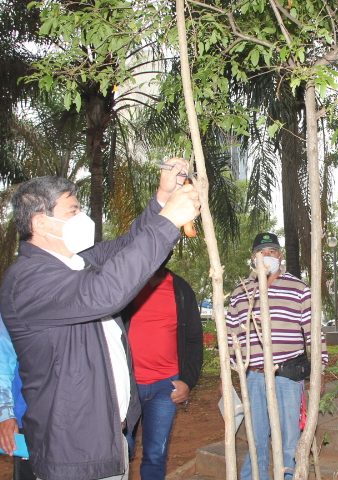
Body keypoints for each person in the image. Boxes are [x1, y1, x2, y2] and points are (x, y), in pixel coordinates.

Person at [0, 158, 200, 480]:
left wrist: (163, 198)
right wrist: (168, 221)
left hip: (108, 440)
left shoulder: (76, 263)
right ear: (41, 223)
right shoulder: (27, 280)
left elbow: (128, 245)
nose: (83, 218)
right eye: (73, 211)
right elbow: (105, 292)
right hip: (73, 454)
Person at [226, 232, 328, 480]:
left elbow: (314, 332)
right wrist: (227, 374)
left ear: (280, 256)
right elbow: (231, 336)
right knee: (255, 439)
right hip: (253, 377)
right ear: (253, 257)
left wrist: (320, 369)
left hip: (287, 377)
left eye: (272, 251)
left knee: (289, 440)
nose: (267, 256)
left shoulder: (299, 289)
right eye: (261, 252)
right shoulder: (240, 292)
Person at [123, 257, 203, 480]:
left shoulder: (181, 289)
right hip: (127, 388)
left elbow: (194, 340)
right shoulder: (126, 284)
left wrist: (188, 381)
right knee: (121, 450)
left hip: (165, 388)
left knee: (155, 455)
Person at [0, 314, 35, 480]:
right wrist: (5, 413)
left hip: (78, 417)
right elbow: (3, 358)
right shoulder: (13, 301)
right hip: (28, 416)